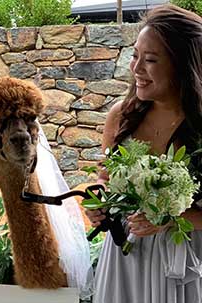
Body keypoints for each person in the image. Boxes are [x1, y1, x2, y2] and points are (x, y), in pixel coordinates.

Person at [85, 4, 202, 303]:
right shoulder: (120, 117)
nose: (136, 69)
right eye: (135, 55)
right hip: (126, 260)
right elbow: (107, 184)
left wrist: (172, 219)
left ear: (182, 65)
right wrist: (100, 207)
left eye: (149, 59)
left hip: (186, 262)